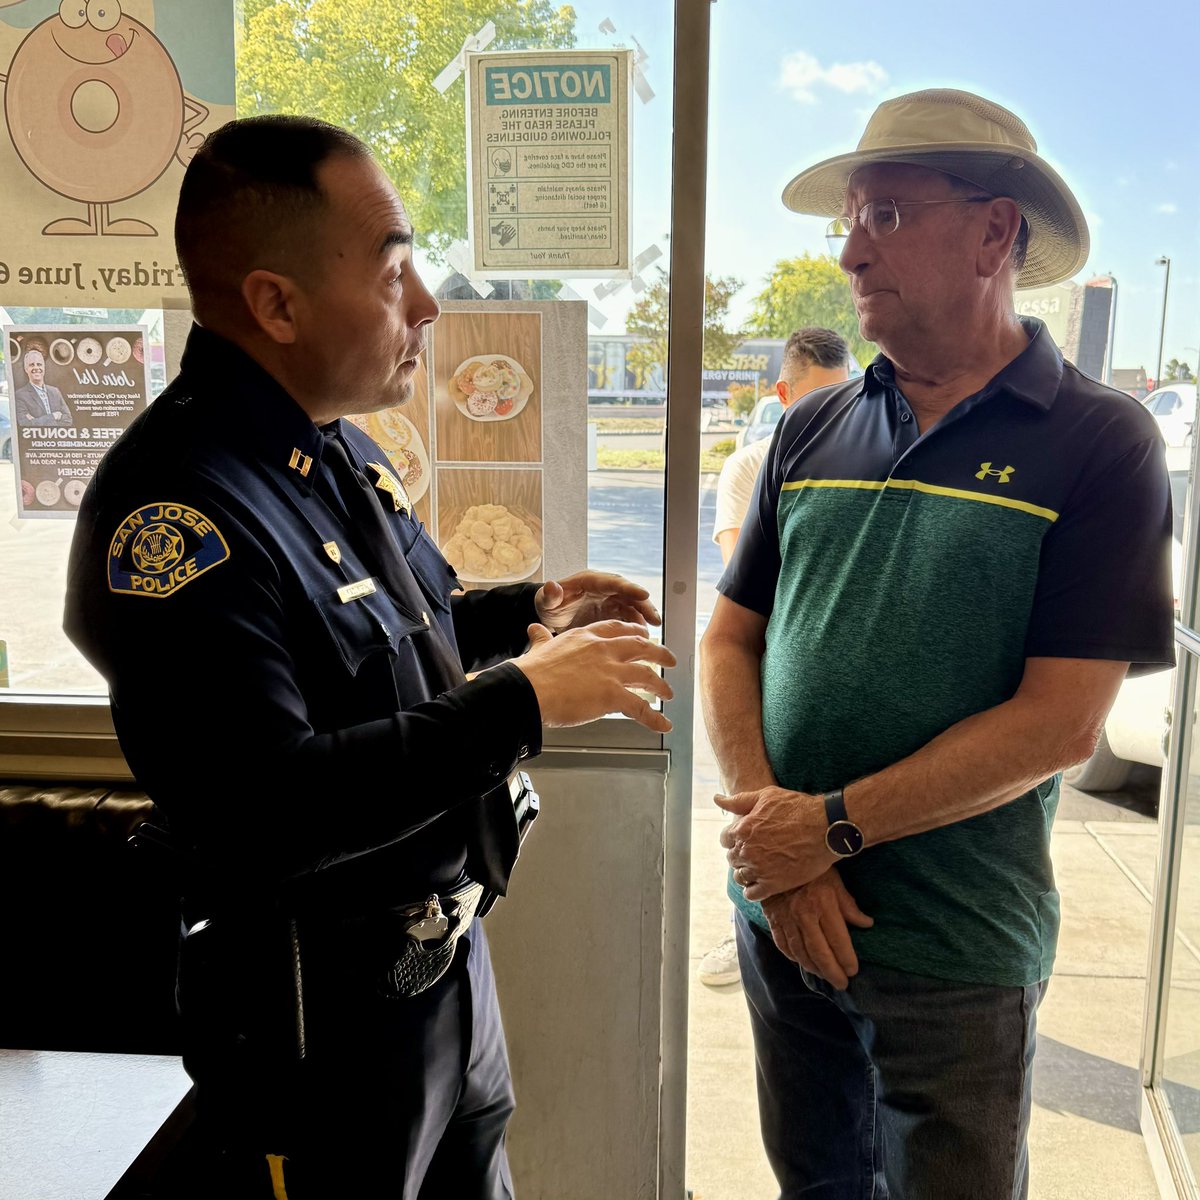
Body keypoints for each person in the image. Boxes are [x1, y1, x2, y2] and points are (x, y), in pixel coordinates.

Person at [62, 114, 677, 1200]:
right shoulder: (175, 511)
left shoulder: (327, 444)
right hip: (316, 1027)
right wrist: (521, 704)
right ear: (276, 304)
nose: (430, 304)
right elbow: (264, 802)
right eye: (396, 270)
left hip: (441, 981)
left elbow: (402, 620)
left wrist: (529, 612)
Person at [698, 87, 1175, 1199]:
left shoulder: (1103, 440)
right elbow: (730, 641)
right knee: (815, 1186)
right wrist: (777, 845)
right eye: (849, 222)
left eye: (889, 217)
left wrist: (829, 831)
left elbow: (1063, 724)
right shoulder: (811, 426)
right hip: (777, 915)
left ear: (996, 232)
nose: (854, 253)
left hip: (956, 951)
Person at [698, 327, 850, 988]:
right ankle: (758, 919)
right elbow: (744, 579)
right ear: (783, 395)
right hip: (765, 678)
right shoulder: (752, 465)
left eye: (841, 400)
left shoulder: (868, 462)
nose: (832, 417)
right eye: (815, 402)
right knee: (760, 820)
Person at [14, 347, 72, 425]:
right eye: (31, 365)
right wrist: (54, 416)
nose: (36, 367)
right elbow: (25, 424)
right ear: (26, 369)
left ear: (44, 367)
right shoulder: (20, 395)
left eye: (39, 364)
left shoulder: (55, 391)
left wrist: (37, 421)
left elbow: (68, 420)